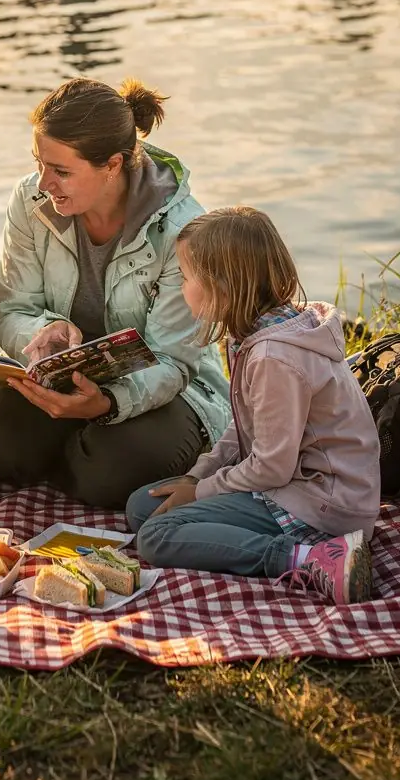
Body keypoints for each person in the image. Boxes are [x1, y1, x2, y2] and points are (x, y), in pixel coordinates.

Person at [0, 77, 230, 506]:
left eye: (62, 171)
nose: (44, 182)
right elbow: (13, 310)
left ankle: (83, 448)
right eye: (40, 163)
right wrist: (45, 333)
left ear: (113, 166)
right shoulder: (30, 202)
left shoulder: (182, 232)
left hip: (166, 390)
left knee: (113, 473)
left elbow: (173, 361)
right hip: (61, 376)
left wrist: (106, 403)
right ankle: (72, 445)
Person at [126, 207, 381, 605]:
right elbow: (241, 428)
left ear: (221, 286)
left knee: (155, 537)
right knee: (144, 507)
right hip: (291, 487)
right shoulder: (254, 335)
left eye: (186, 277)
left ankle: (310, 558)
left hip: (323, 504)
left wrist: (201, 494)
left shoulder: (274, 358)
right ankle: (255, 538)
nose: (181, 288)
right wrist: (198, 478)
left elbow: (271, 466)